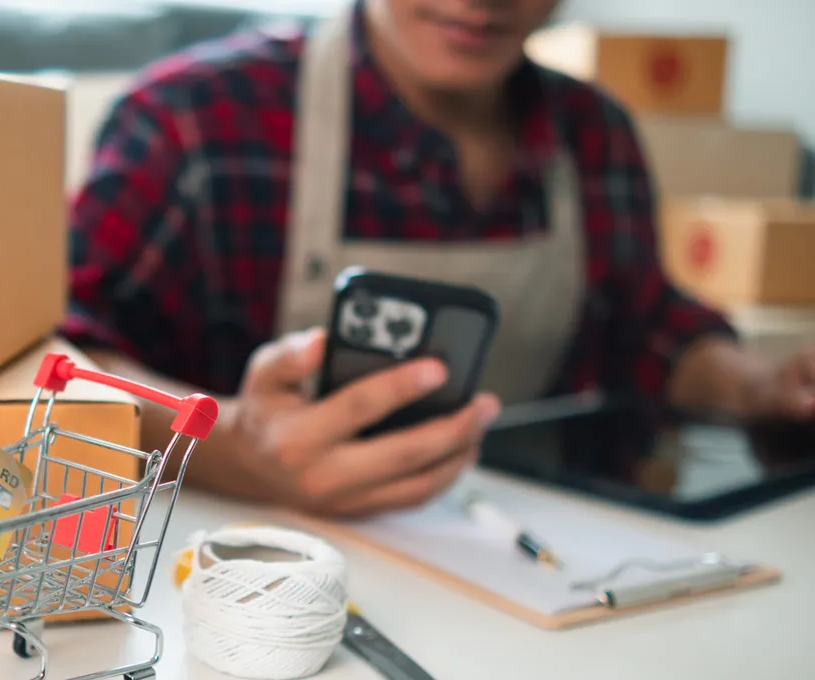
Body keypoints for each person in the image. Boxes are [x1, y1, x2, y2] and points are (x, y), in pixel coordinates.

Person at [62, 0, 815, 517]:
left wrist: (760, 387)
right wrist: (234, 447)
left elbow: (645, 326)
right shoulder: (190, 122)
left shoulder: (595, 134)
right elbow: (64, 361)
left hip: (524, 567)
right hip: (255, 589)